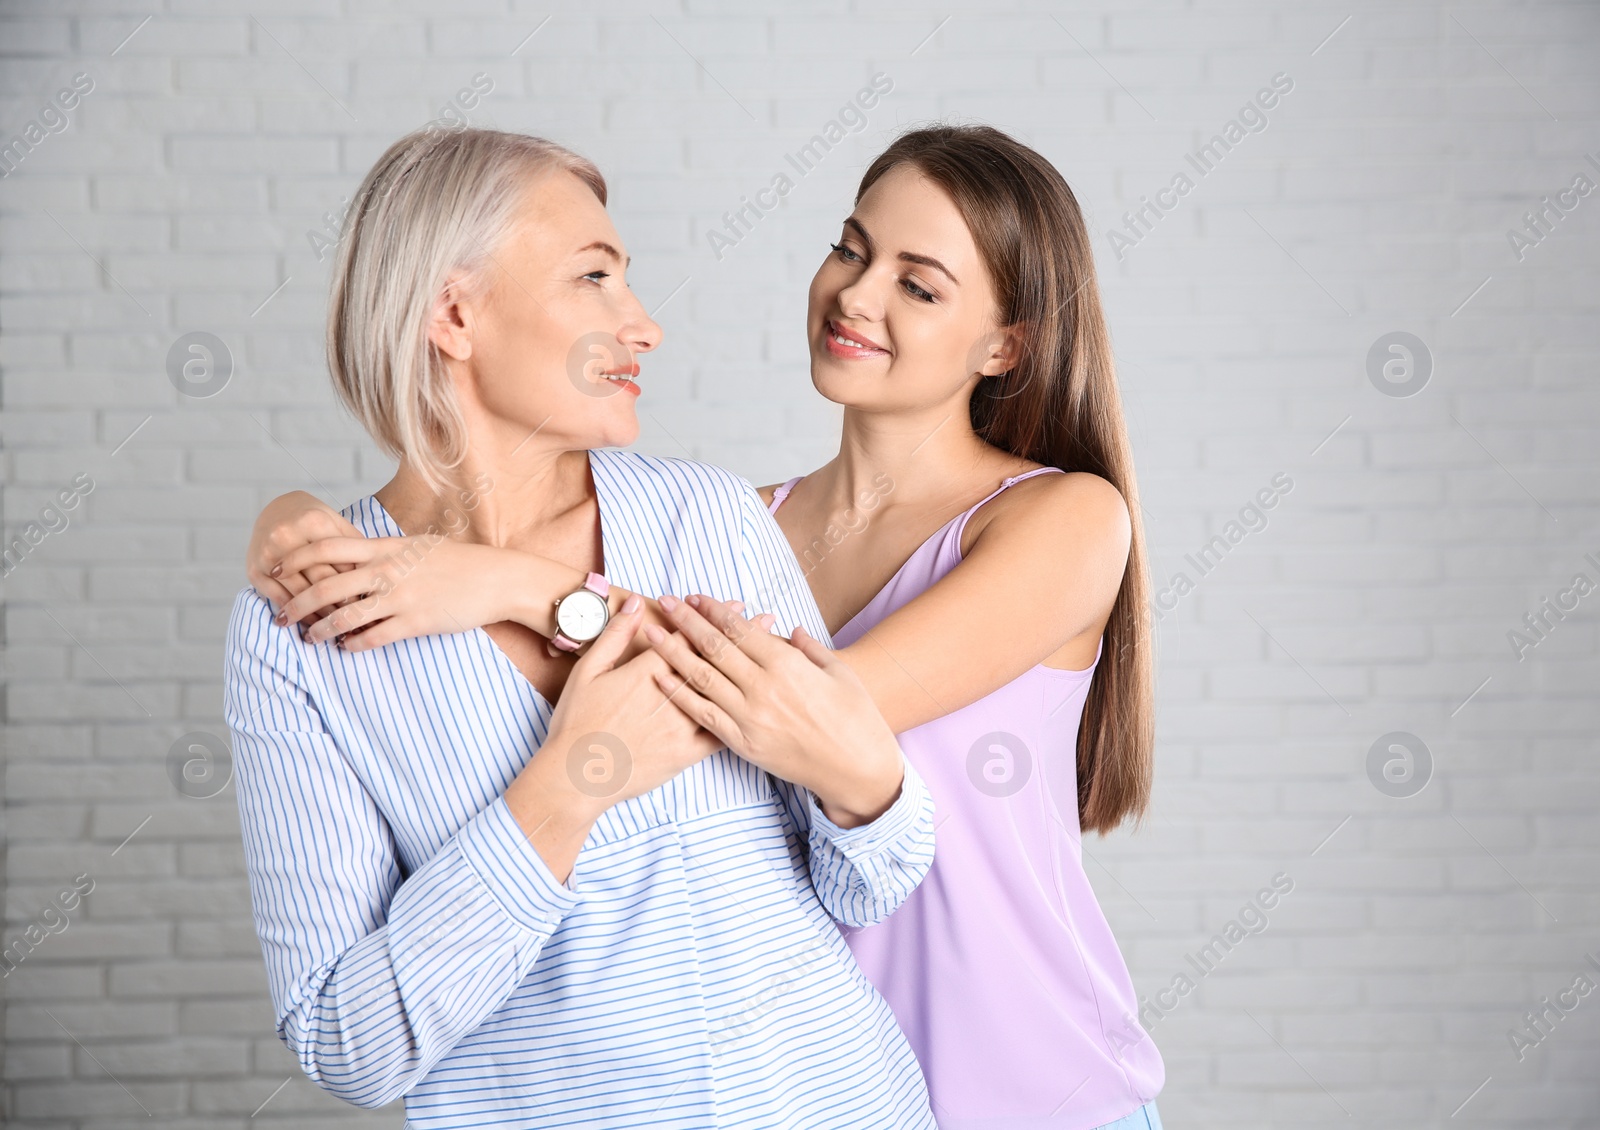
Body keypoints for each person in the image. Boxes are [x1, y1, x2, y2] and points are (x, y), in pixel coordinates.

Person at [254, 124, 1164, 1129]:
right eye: (852, 249)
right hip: (845, 1068)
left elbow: (808, 708)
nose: (857, 295)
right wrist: (307, 524)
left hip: (1029, 1079)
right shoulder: (742, 519)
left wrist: (507, 583)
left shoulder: (1065, 518)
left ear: (1005, 344)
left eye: (919, 283)